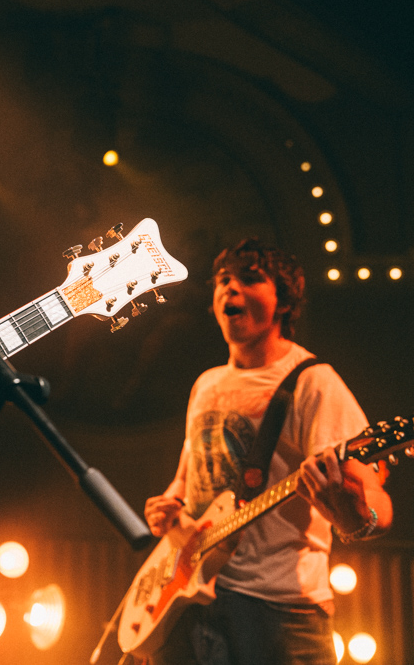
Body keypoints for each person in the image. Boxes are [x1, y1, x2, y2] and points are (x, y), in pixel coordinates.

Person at [143, 238, 393, 664]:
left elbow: (378, 509)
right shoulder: (206, 383)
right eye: (223, 280)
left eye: (250, 279)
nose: (230, 288)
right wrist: (170, 505)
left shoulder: (314, 381)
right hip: (192, 601)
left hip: (279, 613)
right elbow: (190, 474)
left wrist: (349, 511)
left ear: (283, 303)